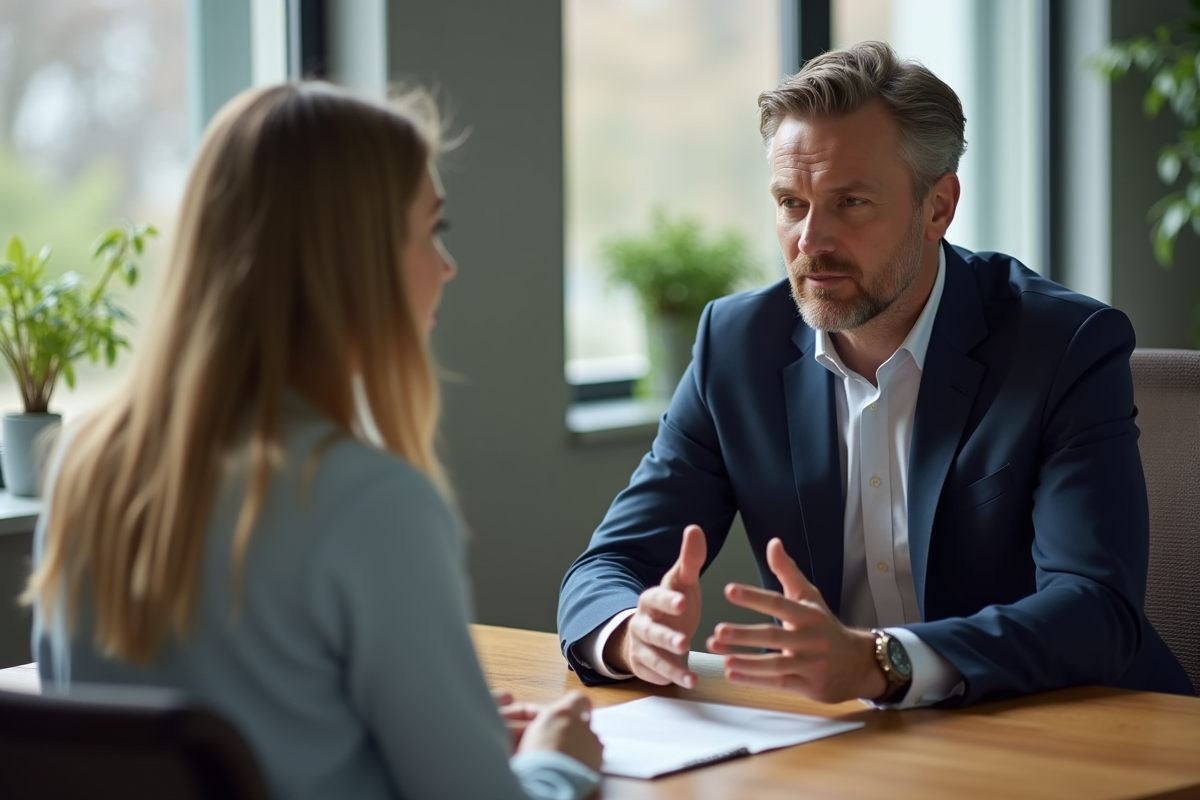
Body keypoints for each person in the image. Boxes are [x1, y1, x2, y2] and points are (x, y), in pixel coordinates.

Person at [558, 40, 1194, 709]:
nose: (811, 241)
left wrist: (882, 661)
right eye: (790, 203)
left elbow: (1095, 610)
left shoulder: (1063, 345)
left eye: (850, 202)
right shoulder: (736, 346)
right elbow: (607, 566)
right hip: (856, 742)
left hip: (1072, 729)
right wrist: (632, 633)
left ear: (938, 208)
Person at [25, 82, 603, 800]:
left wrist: (419, 727)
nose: (446, 266)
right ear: (349, 260)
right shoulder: (372, 503)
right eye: (432, 230)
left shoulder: (83, 463)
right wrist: (558, 760)